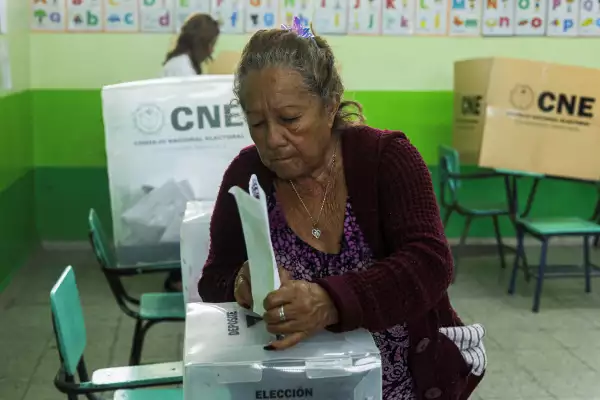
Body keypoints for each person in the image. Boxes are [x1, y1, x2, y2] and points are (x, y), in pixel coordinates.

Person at [198, 17, 486, 400]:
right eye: (256, 123)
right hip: (292, 387)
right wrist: (239, 283)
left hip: (400, 384)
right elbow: (213, 278)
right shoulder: (246, 173)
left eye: (289, 119)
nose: (273, 139)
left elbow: (430, 262)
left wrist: (331, 301)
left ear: (330, 105)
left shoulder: (387, 160)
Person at [161, 12, 219, 292]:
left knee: (187, 212)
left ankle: (181, 272)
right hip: (182, 152)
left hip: (185, 151)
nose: (212, 50)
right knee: (186, 213)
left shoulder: (183, 63)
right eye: (211, 44)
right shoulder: (181, 67)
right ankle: (177, 275)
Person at [162, 13, 220, 77]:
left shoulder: (181, 61)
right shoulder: (183, 69)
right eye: (211, 44)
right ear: (199, 43)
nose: (212, 50)